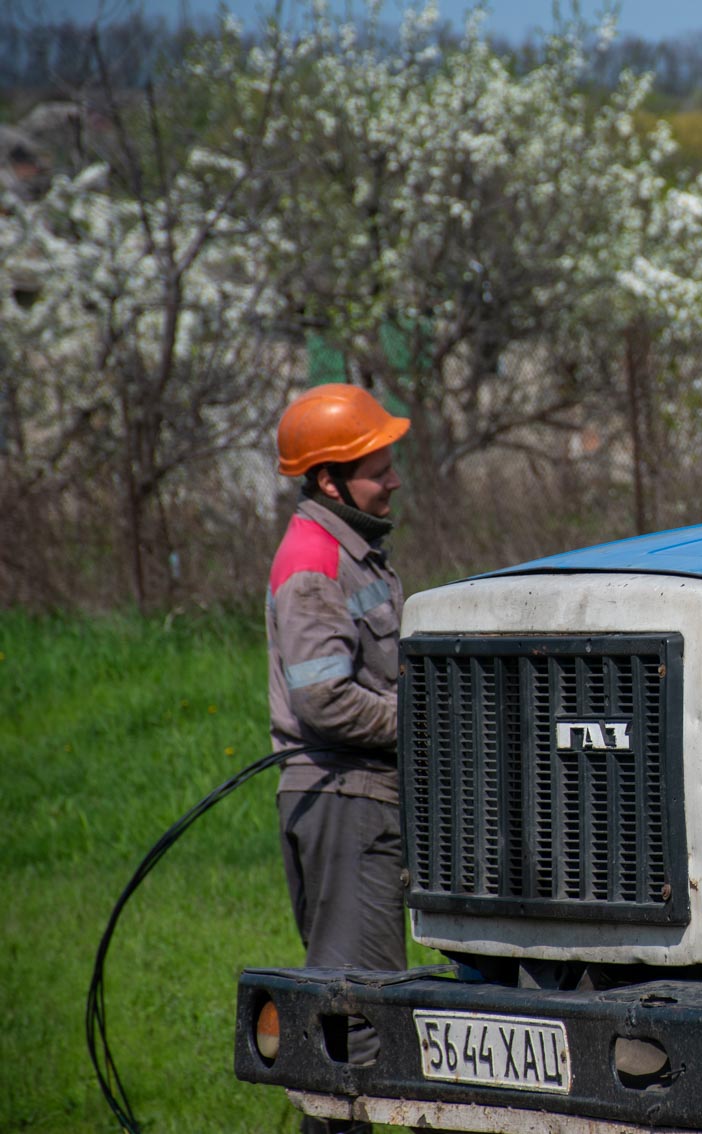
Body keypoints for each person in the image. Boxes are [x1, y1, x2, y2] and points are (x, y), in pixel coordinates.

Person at [267, 383, 410, 1132]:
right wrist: (428, 724)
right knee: (355, 1014)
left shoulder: (352, 553)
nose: (391, 479)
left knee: (358, 1008)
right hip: (344, 804)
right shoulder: (316, 563)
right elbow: (325, 703)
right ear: (327, 480)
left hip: (360, 800)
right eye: (376, 468)